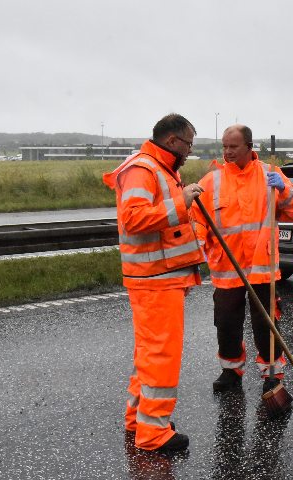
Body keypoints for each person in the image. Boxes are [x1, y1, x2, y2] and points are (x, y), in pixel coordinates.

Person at [102, 113, 205, 452]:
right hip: (154, 281)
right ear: (173, 141)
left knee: (149, 356)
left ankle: (140, 420)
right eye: (188, 144)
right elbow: (133, 219)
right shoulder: (143, 169)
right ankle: (154, 434)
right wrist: (182, 201)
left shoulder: (161, 169)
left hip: (161, 278)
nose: (189, 151)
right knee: (161, 356)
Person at [191, 125, 293, 394]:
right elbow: (198, 221)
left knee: (265, 322)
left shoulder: (270, 175)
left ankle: (272, 375)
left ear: (249, 147)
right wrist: (195, 251)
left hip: (261, 265)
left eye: (233, 146)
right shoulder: (211, 181)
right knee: (226, 321)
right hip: (226, 266)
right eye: (224, 146)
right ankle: (231, 371)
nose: (227, 152)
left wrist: (285, 191)